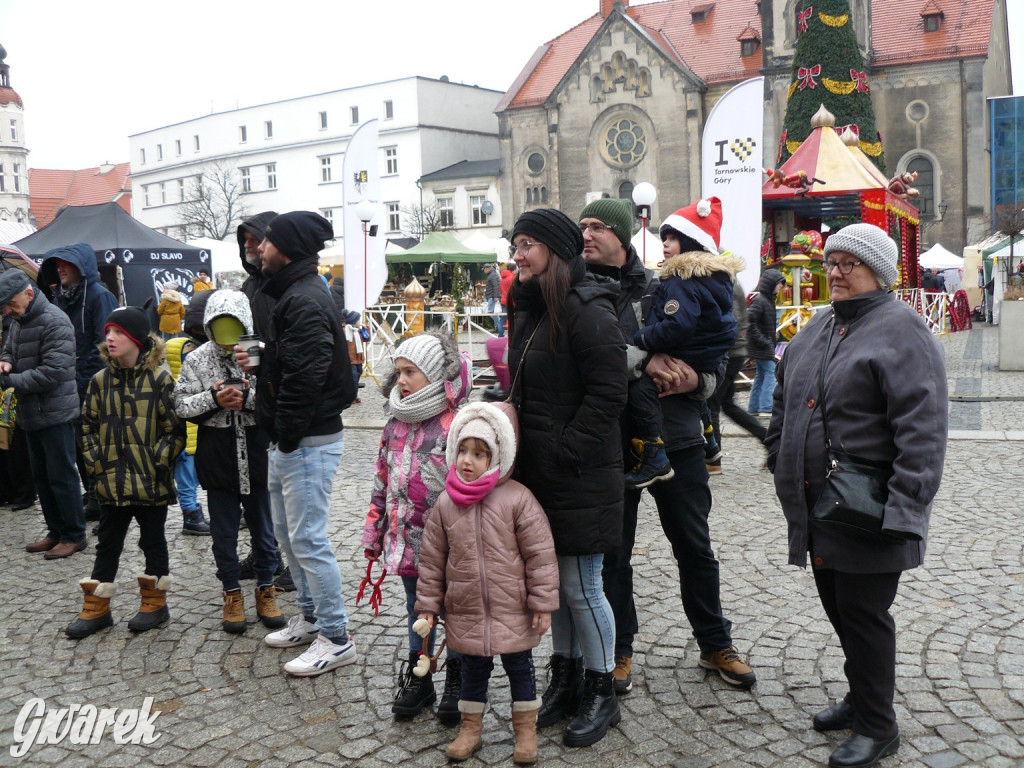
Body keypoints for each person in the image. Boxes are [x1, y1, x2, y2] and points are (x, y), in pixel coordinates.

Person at [765, 222, 948, 768]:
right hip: (819, 509)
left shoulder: (903, 329)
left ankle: (878, 724)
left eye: (850, 263)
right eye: (832, 261)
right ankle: (860, 696)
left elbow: (923, 428)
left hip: (871, 509)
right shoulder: (817, 326)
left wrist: (906, 507)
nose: (836, 272)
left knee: (865, 616)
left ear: (880, 272)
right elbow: (785, 399)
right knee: (841, 611)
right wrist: (779, 454)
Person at [578, 196, 757, 700]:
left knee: (694, 547)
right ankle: (618, 650)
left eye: (596, 227)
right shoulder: (575, 291)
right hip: (609, 443)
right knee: (613, 553)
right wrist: (639, 361)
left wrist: (694, 380)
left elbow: (715, 363)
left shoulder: (666, 284)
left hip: (677, 440)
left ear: (622, 233)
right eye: (582, 227)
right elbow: (582, 362)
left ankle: (714, 642)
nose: (587, 235)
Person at [506, 208, 627, 747]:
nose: (517, 254)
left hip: (580, 473)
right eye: (515, 244)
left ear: (555, 249)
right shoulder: (532, 307)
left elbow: (610, 393)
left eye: (527, 243)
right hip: (542, 472)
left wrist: (565, 448)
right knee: (554, 587)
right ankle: (567, 677)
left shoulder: (589, 310)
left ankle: (603, 691)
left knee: (582, 586)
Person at [236, 211, 357, 677]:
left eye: (265, 243)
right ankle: (310, 617)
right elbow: (297, 360)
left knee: (308, 539)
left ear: (284, 249)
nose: (258, 249)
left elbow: (305, 379)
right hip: (293, 440)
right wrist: (265, 357)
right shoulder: (295, 293)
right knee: (289, 536)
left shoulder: (303, 299)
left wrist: (284, 437)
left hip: (305, 441)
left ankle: (336, 636)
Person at [416, 401, 559, 764]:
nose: (467, 460)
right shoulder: (446, 505)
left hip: (512, 607)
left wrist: (542, 601)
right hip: (467, 609)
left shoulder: (517, 499)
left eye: (479, 454)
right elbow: (432, 563)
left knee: (520, 668)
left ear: (497, 458)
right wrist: (429, 609)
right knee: (471, 671)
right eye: (462, 450)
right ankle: (471, 728)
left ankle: (525, 730)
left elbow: (540, 555)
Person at [361, 330, 470, 724]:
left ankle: (458, 678)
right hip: (407, 539)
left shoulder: (456, 424)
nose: (401, 381)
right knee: (417, 608)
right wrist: (375, 533)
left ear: (436, 376)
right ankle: (419, 676)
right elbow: (381, 481)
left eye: (411, 372)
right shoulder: (395, 423)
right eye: (399, 372)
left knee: (455, 610)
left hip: (450, 544)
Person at [65, 307, 184, 638]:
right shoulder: (100, 381)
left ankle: (155, 604)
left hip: (150, 483)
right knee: (108, 542)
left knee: (153, 541)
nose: (110, 338)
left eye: (117, 332)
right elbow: (86, 428)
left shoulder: (160, 380)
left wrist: (157, 463)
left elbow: (174, 431)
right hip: (111, 482)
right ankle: (97, 608)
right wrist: (96, 465)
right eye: (108, 332)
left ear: (136, 338)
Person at [174, 290, 285, 635]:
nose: (226, 336)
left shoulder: (259, 355)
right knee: (223, 534)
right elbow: (179, 405)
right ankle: (231, 593)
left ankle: (266, 588)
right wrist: (214, 398)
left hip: (257, 454)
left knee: (265, 532)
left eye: (233, 326)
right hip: (217, 457)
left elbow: (279, 399)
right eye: (219, 326)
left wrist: (248, 398)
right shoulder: (197, 359)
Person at [626, 198, 743, 488]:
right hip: (706, 353)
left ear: (691, 243)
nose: (665, 244)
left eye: (673, 238)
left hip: (689, 349)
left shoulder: (681, 278)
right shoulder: (715, 278)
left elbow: (678, 325)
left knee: (642, 387)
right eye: (664, 237)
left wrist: (642, 337)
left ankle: (654, 452)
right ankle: (710, 437)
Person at [0, 269, 86, 559]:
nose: (8, 311)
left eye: (10, 305)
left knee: (61, 476)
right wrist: (6, 364)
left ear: (28, 293)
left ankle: (74, 534)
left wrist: (8, 381)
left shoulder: (55, 321)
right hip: (30, 413)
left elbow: (52, 373)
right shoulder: (18, 320)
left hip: (56, 412)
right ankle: (55, 531)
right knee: (43, 477)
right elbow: (9, 350)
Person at [37, 242, 119, 521]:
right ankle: (93, 495)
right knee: (81, 446)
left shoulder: (99, 296)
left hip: (93, 385)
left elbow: (105, 346)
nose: (59, 268)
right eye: (56, 264)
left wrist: (86, 381)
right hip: (70, 385)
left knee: (98, 445)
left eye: (65, 264)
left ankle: (103, 500)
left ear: (80, 267)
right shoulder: (60, 298)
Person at [165, 290, 213, 536]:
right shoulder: (193, 351)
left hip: (185, 428)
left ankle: (192, 513)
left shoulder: (174, 346)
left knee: (187, 478)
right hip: (191, 429)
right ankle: (191, 516)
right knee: (187, 479)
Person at [706, 279, 768, 473]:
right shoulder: (728, 280)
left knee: (712, 405)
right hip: (733, 351)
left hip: (730, 353)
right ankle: (770, 440)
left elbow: (730, 321)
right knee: (727, 405)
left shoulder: (726, 281)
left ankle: (712, 459)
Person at [747, 269, 785, 414]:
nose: (781, 286)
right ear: (771, 284)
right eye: (779, 283)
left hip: (761, 345)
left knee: (761, 375)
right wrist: (764, 341)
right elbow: (750, 321)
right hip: (763, 346)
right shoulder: (762, 301)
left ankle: (754, 407)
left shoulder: (765, 300)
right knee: (770, 375)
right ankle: (766, 407)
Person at [237, 211, 278, 341]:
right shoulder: (250, 283)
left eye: (254, 240)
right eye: (245, 239)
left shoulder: (284, 283)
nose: (246, 245)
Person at [483, 262, 501, 335]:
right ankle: (497, 327)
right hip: (491, 296)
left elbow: (496, 286)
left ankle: (499, 327)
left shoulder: (492, 275)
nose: (484, 271)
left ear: (487, 268)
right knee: (493, 313)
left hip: (492, 297)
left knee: (492, 313)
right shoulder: (492, 274)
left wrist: (496, 296)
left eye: (484, 269)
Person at [499, 262, 516, 336]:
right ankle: (513, 334)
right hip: (511, 300)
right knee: (513, 317)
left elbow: (500, 290)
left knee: (502, 318)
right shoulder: (513, 278)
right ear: (513, 270)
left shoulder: (502, 278)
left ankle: (500, 334)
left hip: (503, 300)